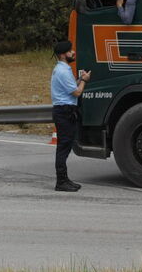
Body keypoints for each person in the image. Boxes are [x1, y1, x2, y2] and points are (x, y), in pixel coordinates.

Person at [51, 40, 91, 192]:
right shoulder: (62, 71)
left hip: (64, 111)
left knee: (65, 146)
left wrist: (80, 78)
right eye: (70, 51)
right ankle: (61, 182)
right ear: (63, 55)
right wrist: (85, 81)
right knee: (63, 147)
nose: (73, 52)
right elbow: (76, 92)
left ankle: (64, 179)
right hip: (64, 112)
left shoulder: (63, 69)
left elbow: (72, 86)